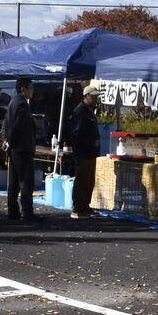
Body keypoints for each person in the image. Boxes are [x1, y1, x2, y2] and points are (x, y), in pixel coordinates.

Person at [65, 88, 102, 219]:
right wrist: (92, 142)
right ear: (86, 96)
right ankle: (77, 208)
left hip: (90, 153)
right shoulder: (80, 111)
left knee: (89, 181)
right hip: (83, 153)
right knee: (82, 180)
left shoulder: (89, 110)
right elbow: (76, 134)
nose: (96, 99)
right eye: (93, 97)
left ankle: (85, 206)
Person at [4, 78, 37, 220]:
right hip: (22, 148)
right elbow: (17, 127)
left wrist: (7, 141)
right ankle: (27, 212)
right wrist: (10, 141)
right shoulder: (22, 104)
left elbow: (6, 123)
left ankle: (13, 211)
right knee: (25, 182)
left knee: (13, 182)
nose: (32, 91)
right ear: (23, 89)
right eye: (31, 88)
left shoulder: (13, 102)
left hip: (15, 148)